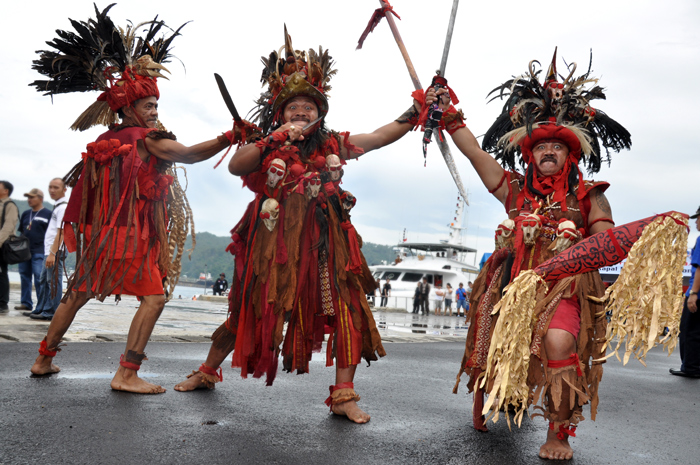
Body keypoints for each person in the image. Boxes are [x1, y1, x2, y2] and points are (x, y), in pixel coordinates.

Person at [173, 28, 422, 424]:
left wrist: (415, 114)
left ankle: (343, 395)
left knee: (348, 308)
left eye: (309, 107)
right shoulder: (266, 142)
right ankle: (207, 371)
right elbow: (237, 165)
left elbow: (376, 138)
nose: (302, 112)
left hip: (328, 242)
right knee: (245, 310)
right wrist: (273, 138)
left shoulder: (332, 145)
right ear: (281, 112)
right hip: (273, 243)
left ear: (320, 112)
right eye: (294, 108)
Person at [28, 6, 234, 394]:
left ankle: (43, 358)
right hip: (131, 238)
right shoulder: (148, 141)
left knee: (76, 295)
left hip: (103, 237)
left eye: (157, 107)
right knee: (154, 299)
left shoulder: (104, 144)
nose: (155, 113)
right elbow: (189, 154)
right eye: (148, 107)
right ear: (127, 109)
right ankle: (126, 373)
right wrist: (228, 137)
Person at [438, 51, 633, 460]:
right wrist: (449, 117)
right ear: (529, 155)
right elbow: (476, 155)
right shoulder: (514, 190)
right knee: (490, 345)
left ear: (569, 155)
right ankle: (503, 397)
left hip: (562, 287)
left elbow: (606, 240)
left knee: (559, 340)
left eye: (555, 147)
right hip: (510, 285)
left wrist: (581, 240)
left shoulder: (589, 195)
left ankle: (559, 433)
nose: (548, 151)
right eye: (540, 146)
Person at [27, 180, 68, 321]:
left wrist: (53, 253)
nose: (52, 190)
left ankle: (51, 312)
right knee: (44, 280)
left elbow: (61, 232)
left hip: (54, 251)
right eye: (50, 187)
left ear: (64, 189)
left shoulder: (62, 208)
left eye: (56, 187)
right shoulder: (57, 206)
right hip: (48, 251)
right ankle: (41, 309)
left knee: (53, 281)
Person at [670, 208, 700, 378]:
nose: (696, 222)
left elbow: (699, 269)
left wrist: (694, 293)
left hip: (698, 294)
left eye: (698, 219)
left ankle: (690, 367)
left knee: (690, 331)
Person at [15, 188, 51, 312]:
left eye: (32, 197)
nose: (29, 200)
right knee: (24, 276)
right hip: (24, 251)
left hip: (40, 250)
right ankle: (26, 303)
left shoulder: (48, 214)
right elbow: (22, 231)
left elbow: (52, 233)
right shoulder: (25, 214)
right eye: (28, 197)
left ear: (40, 199)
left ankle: (41, 306)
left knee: (39, 277)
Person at [0, 180, 19, 312]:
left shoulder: (10, 205)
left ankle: (2, 303)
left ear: (6, 190)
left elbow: (9, 226)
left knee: (1, 273)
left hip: (2, 244)